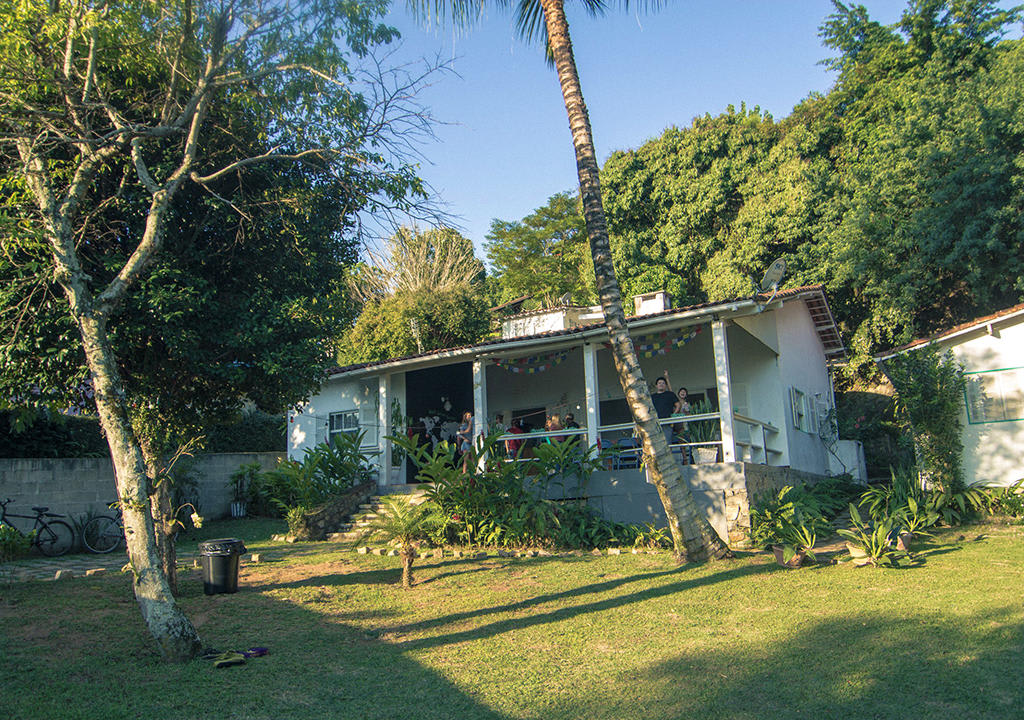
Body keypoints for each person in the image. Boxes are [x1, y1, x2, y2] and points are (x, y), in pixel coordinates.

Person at [650, 371, 677, 446]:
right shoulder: (652, 397)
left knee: (667, 443)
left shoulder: (670, 394)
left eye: (663, 383)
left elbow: (678, 405)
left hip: (667, 422)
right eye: (659, 383)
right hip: (655, 423)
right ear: (656, 385)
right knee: (656, 444)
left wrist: (673, 415)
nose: (661, 384)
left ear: (665, 385)